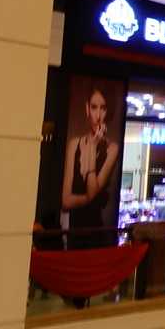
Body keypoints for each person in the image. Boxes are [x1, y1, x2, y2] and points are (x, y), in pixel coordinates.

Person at [61, 88, 119, 246]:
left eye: (103, 108)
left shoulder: (112, 149)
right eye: (94, 107)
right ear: (87, 109)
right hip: (73, 231)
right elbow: (65, 201)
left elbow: (92, 191)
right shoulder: (74, 144)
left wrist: (92, 147)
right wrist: (87, 198)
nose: (98, 115)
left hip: (96, 232)